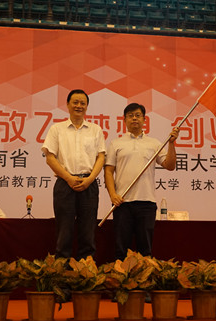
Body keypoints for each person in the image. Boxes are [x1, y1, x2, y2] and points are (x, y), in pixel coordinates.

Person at [105, 103, 179, 260]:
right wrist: (112, 194)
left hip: (146, 203)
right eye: (130, 116)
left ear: (144, 120)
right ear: (124, 120)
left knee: (145, 249)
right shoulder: (116, 143)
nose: (134, 118)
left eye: (138, 115)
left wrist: (171, 144)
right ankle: (121, 274)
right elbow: (109, 171)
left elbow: (170, 166)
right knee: (121, 249)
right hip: (122, 203)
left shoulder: (154, 143)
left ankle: (145, 275)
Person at [42, 89, 106, 259]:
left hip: (89, 184)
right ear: (68, 105)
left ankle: (86, 269)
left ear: (87, 106)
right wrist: (69, 178)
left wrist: (90, 179)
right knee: (64, 231)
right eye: (75, 102)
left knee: (88, 231)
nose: (79, 106)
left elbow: (101, 157)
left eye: (82, 103)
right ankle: (62, 268)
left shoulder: (95, 130)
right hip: (65, 184)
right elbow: (50, 158)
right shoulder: (57, 129)